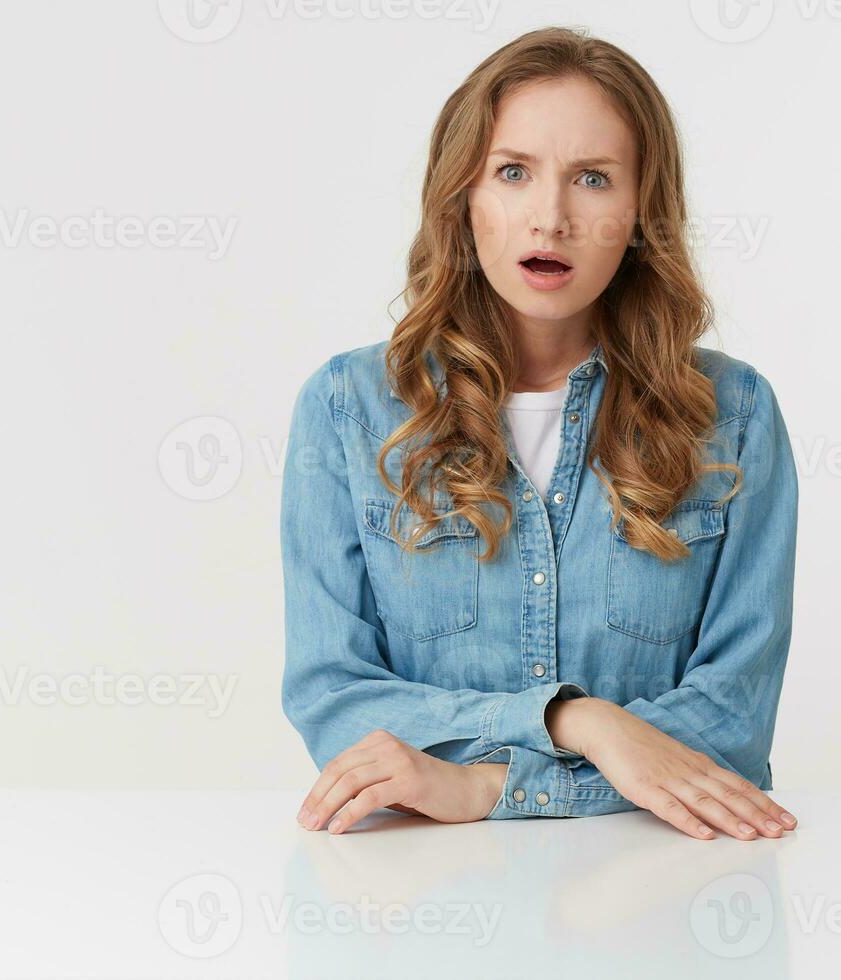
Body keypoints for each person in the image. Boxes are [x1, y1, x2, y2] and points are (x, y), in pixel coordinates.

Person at [282, 26, 799, 841]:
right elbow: (336, 701)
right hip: (420, 905)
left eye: (593, 178)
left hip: (664, 899)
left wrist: (481, 786)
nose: (550, 217)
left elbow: (732, 723)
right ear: (464, 198)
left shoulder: (733, 415)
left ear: (639, 214)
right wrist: (577, 722)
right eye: (513, 172)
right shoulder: (349, 407)